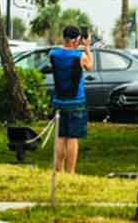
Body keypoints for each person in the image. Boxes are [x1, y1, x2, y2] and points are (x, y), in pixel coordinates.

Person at [50, 26, 93, 174]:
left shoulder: (53, 54)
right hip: (76, 102)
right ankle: (71, 172)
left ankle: (59, 170)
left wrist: (76, 45)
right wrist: (87, 47)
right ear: (76, 40)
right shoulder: (79, 56)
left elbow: (64, 52)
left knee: (61, 136)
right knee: (73, 137)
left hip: (59, 101)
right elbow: (90, 67)